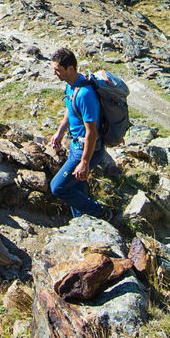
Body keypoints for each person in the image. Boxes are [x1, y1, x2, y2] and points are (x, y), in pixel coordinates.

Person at [47, 47, 113, 219]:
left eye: (58, 70)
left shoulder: (85, 94)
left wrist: (84, 162)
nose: (55, 73)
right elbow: (70, 110)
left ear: (70, 68)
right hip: (76, 145)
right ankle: (82, 223)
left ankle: (101, 212)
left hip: (86, 149)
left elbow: (92, 131)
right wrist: (60, 132)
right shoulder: (71, 87)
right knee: (75, 189)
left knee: (58, 187)